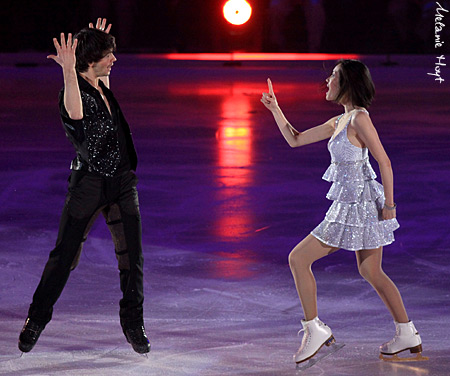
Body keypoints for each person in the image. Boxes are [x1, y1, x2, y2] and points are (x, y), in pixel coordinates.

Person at [261, 59, 425, 364]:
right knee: (370, 270)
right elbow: (296, 139)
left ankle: (315, 330)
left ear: (347, 84)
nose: (327, 82)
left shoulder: (359, 119)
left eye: (333, 77)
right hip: (350, 204)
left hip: (359, 207)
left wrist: (390, 205)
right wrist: (275, 110)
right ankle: (407, 333)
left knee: (298, 258)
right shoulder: (339, 121)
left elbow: (384, 162)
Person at [18, 18, 150, 354]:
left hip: (121, 182)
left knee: (131, 258)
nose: (114, 60)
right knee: (64, 257)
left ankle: (134, 324)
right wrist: (67, 67)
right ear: (91, 62)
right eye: (108, 55)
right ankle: (36, 318)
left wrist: (96, 39)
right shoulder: (72, 92)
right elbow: (75, 113)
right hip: (89, 185)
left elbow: (99, 78)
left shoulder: (102, 84)